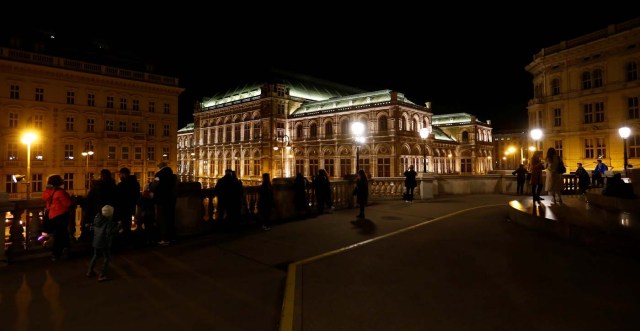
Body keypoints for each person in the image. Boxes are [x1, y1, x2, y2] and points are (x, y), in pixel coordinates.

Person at [43, 175, 74, 261]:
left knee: (59, 235)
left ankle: (62, 252)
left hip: (52, 215)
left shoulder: (48, 191)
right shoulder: (60, 192)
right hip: (61, 215)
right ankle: (57, 254)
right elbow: (68, 204)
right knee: (61, 235)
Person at [87, 205, 118, 282]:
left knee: (95, 255)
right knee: (107, 257)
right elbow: (110, 232)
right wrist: (119, 227)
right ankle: (102, 275)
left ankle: (89, 271)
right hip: (104, 242)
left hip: (96, 241)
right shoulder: (108, 222)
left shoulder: (97, 218)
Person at [150, 162, 177, 246]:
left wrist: (150, 185)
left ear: (160, 167)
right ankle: (172, 238)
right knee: (170, 218)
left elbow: (153, 186)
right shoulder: (173, 176)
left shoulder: (159, 175)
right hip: (171, 200)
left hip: (161, 200)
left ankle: (164, 239)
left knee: (162, 219)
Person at [114, 167, 140, 244]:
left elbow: (117, 196)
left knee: (124, 223)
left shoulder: (122, 184)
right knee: (127, 223)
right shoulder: (135, 183)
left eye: (120, 174)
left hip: (123, 207)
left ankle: (126, 240)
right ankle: (128, 238)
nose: (119, 176)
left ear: (124, 174)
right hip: (131, 206)